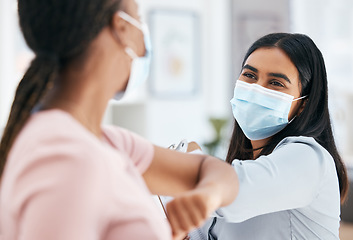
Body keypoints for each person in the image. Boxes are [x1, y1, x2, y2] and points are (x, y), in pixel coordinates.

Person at [0, 0, 239, 239]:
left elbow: (216, 172)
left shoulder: (107, 143)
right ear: (122, 28)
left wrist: (208, 195)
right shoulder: (67, 156)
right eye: (138, 18)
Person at [189, 33, 348, 240]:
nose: (256, 89)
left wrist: (191, 158)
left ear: (303, 104)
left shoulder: (307, 157)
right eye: (250, 75)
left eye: (276, 83)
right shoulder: (247, 167)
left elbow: (232, 193)